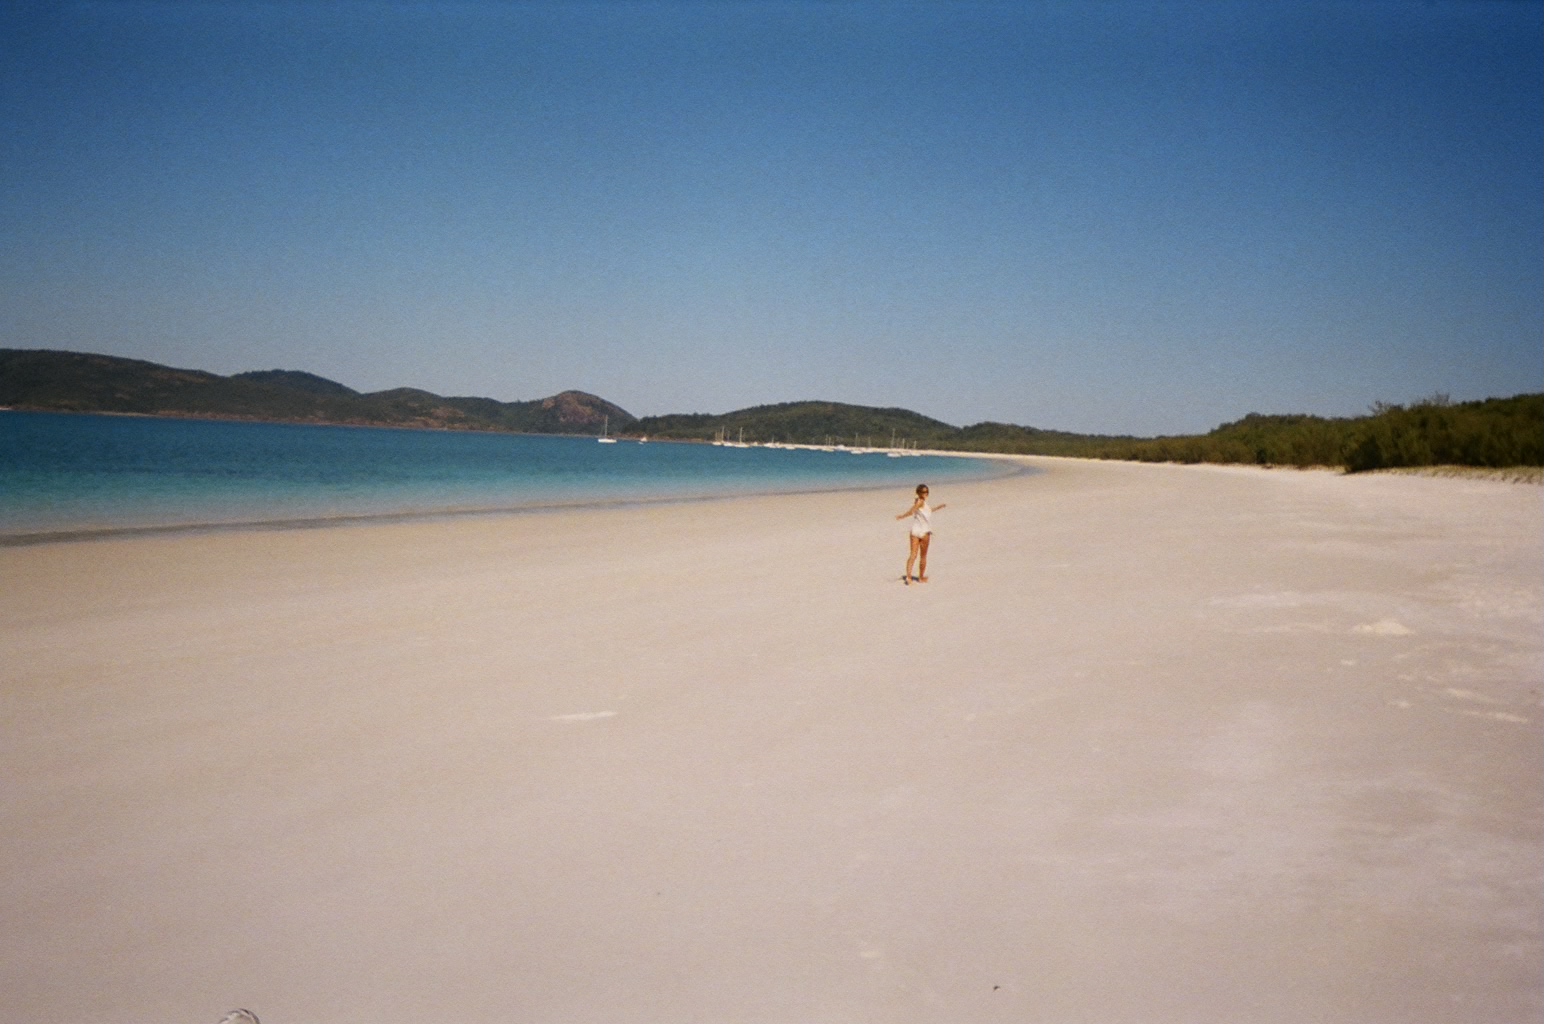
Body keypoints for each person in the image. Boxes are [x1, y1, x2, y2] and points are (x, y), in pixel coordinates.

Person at [896, 483, 946, 584]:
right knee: (922, 556)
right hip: (924, 532)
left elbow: (927, 511)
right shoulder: (920, 502)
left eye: (927, 492)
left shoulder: (921, 503)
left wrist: (939, 507)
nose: (926, 493)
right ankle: (920, 577)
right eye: (923, 492)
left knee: (913, 555)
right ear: (919, 493)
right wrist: (902, 516)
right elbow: (912, 511)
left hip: (915, 531)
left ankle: (909, 577)